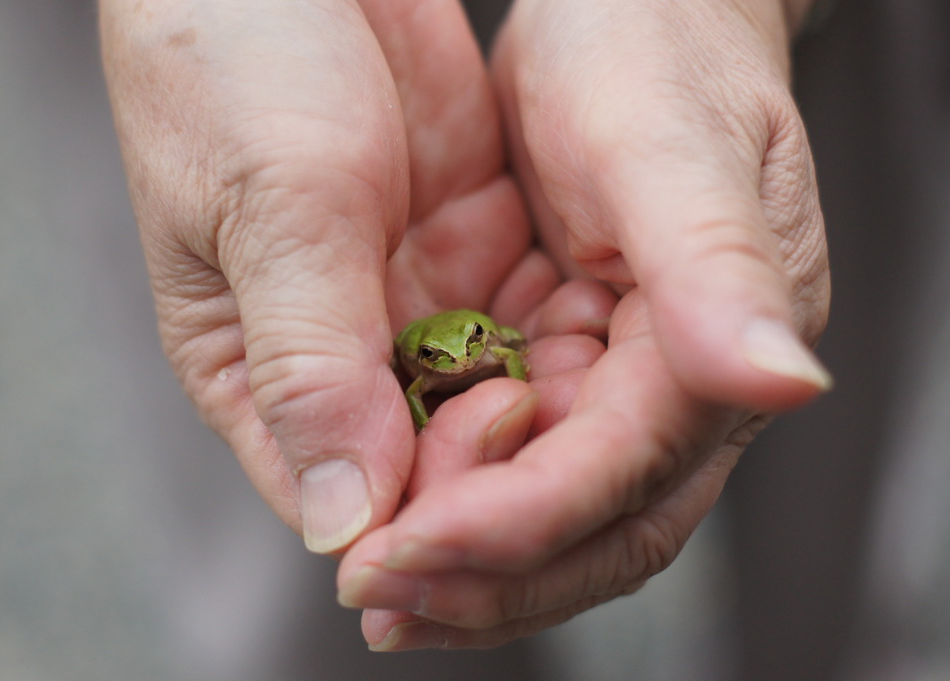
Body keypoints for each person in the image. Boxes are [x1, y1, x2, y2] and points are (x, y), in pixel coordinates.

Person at [100, 0, 831, 653]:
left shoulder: (495, 344)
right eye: (441, 359)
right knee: (313, 495)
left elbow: (509, 349)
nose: (457, 362)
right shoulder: (424, 366)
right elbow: (412, 375)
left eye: (470, 350)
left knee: (811, 484)